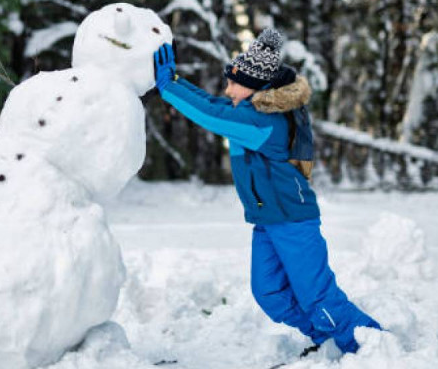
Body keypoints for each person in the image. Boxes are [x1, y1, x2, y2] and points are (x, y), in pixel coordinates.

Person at [152, 28, 381, 356]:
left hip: (293, 220)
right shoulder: (254, 111)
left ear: (255, 85)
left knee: (318, 297)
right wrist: (175, 81)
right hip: (268, 219)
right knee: (270, 293)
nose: (228, 89)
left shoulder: (263, 122)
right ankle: (327, 340)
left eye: (234, 83)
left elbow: (212, 115)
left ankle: (373, 348)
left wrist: (168, 87)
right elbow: (214, 104)